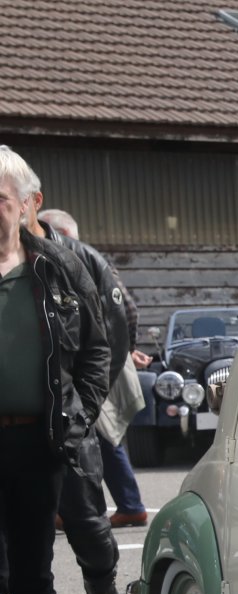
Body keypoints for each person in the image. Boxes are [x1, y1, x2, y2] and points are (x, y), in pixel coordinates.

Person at [0, 146, 110, 594]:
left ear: (27, 204)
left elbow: (97, 349)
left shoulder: (59, 266)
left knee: (32, 571)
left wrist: (77, 417)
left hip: (38, 442)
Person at [29, 204, 131, 594]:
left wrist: (86, 407)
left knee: (88, 525)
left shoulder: (79, 258)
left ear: (31, 201)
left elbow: (115, 332)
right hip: (14, 424)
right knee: (20, 540)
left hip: (69, 417)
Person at [38, 209, 151, 530]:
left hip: (94, 366)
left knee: (98, 431)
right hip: (95, 364)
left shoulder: (85, 261)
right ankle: (126, 505)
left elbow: (127, 312)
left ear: (62, 235)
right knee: (100, 432)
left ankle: (126, 506)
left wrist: (122, 350)